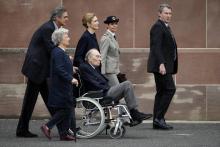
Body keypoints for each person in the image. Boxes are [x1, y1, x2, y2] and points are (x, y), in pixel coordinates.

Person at [16, 6, 69, 137]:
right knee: (30, 101)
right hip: (36, 70)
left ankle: (63, 129)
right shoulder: (48, 28)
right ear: (56, 18)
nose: (67, 19)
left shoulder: (53, 28)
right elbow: (51, 49)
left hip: (42, 71)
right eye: (65, 17)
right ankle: (22, 130)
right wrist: (66, 58)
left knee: (50, 101)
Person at [79, 49, 152, 125]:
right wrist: (107, 88)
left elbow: (100, 82)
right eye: (97, 56)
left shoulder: (94, 68)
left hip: (102, 92)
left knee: (128, 86)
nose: (100, 59)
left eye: (100, 57)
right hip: (98, 94)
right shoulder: (84, 67)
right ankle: (134, 113)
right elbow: (93, 83)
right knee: (127, 84)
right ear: (90, 58)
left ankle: (134, 113)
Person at [40, 28, 78, 141]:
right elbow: (59, 69)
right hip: (60, 87)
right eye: (67, 36)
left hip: (64, 86)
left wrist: (72, 67)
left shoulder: (61, 52)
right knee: (66, 109)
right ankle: (47, 126)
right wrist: (71, 79)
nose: (69, 38)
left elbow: (63, 66)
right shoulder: (57, 52)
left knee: (67, 108)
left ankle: (64, 134)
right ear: (60, 39)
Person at [147, 3, 178, 130]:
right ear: (159, 14)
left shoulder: (165, 27)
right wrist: (161, 63)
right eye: (166, 13)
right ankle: (159, 118)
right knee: (170, 89)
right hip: (161, 66)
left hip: (164, 65)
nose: (168, 16)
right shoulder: (157, 27)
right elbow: (156, 47)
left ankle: (157, 120)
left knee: (161, 92)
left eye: (170, 13)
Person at [100, 16, 121, 86]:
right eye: (112, 24)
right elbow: (102, 56)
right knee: (118, 90)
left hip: (114, 70)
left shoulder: (113, 36)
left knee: (115, 91)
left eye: (116, 23)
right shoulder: (106, 38)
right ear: (107, 25)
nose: (114, 26)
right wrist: (102, 74)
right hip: (108, 71)